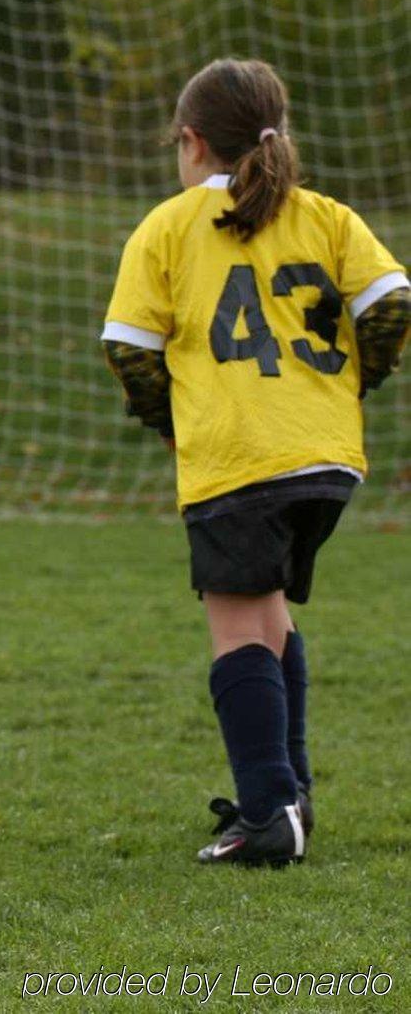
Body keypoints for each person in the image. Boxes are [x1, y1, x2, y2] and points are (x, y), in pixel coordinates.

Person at [102, 58, 410, 866]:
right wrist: (354, 383)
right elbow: (393, 302)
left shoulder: (168, 226)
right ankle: (290, 794)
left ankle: (268, 814)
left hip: (237, 456)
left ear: (192, 141)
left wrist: (171, 423)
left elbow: (128, 348)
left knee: (236, 627)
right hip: (325, 457)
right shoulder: (325, 216)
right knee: (270, 619)